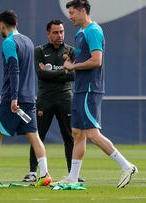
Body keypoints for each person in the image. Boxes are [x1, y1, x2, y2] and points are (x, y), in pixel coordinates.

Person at [59, 0, 137, 188]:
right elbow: (82, 56)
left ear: (82, 11)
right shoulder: (80, 33)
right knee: (77, 133)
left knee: (92, 134)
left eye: (72, 12)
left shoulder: (93, 30)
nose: (69, 16)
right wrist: (70, 60)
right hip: (80, 88)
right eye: (68, 12)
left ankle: (127, 166)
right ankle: (72, 177)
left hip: (90, 89)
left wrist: (72, 66)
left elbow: (96, 61)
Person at [0, 10, 52, 186]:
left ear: (1, 25)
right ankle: (45, 174)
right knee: (34, 136)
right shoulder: (28, 41)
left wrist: (13, 97)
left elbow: (14, 69)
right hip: (29, 96)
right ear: (16, 23)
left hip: (13, 97)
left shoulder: (9, 42)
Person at [22, 19, 80, 182]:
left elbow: (74, 75)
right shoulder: (39, 51)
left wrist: (53, 72)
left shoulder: (71, 51)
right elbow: (41, 75)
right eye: (55, 32)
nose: (59, 35)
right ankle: (33, 172)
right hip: (45, 99)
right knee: (37, 135)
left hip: (65, 98)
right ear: (48, 34)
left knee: (69, 136)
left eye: (61, 32)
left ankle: (73, 174)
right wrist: (64, 70)